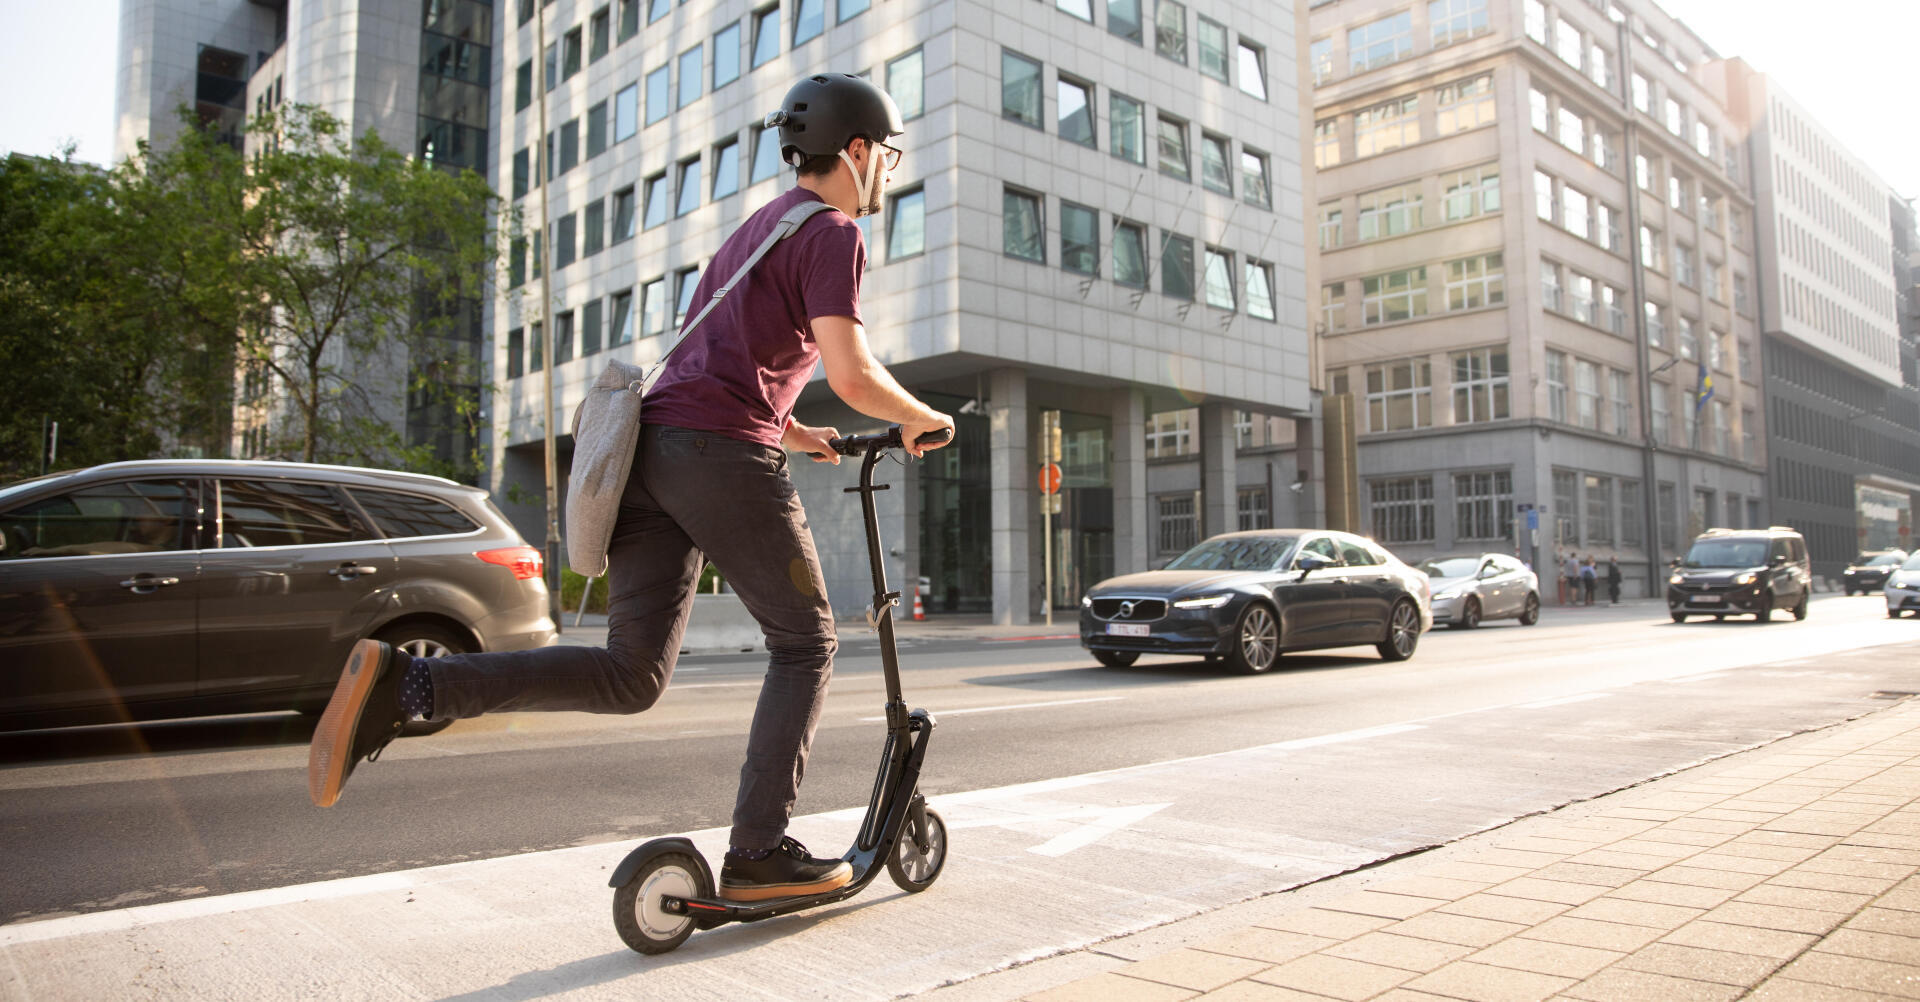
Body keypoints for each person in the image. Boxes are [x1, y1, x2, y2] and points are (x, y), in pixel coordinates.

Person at [306, 74, 954, 904]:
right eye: (886, 156)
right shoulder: (832, 232)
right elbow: (854, 372)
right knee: (807, 643)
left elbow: (713, 361)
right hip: (717, 454)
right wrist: (922, 415)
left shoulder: (756, 229)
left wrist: (795, 430)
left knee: (630, 674)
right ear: (857, 150)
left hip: (652, 454)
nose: (887, 175)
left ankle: (416, 684)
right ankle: (758, 851)